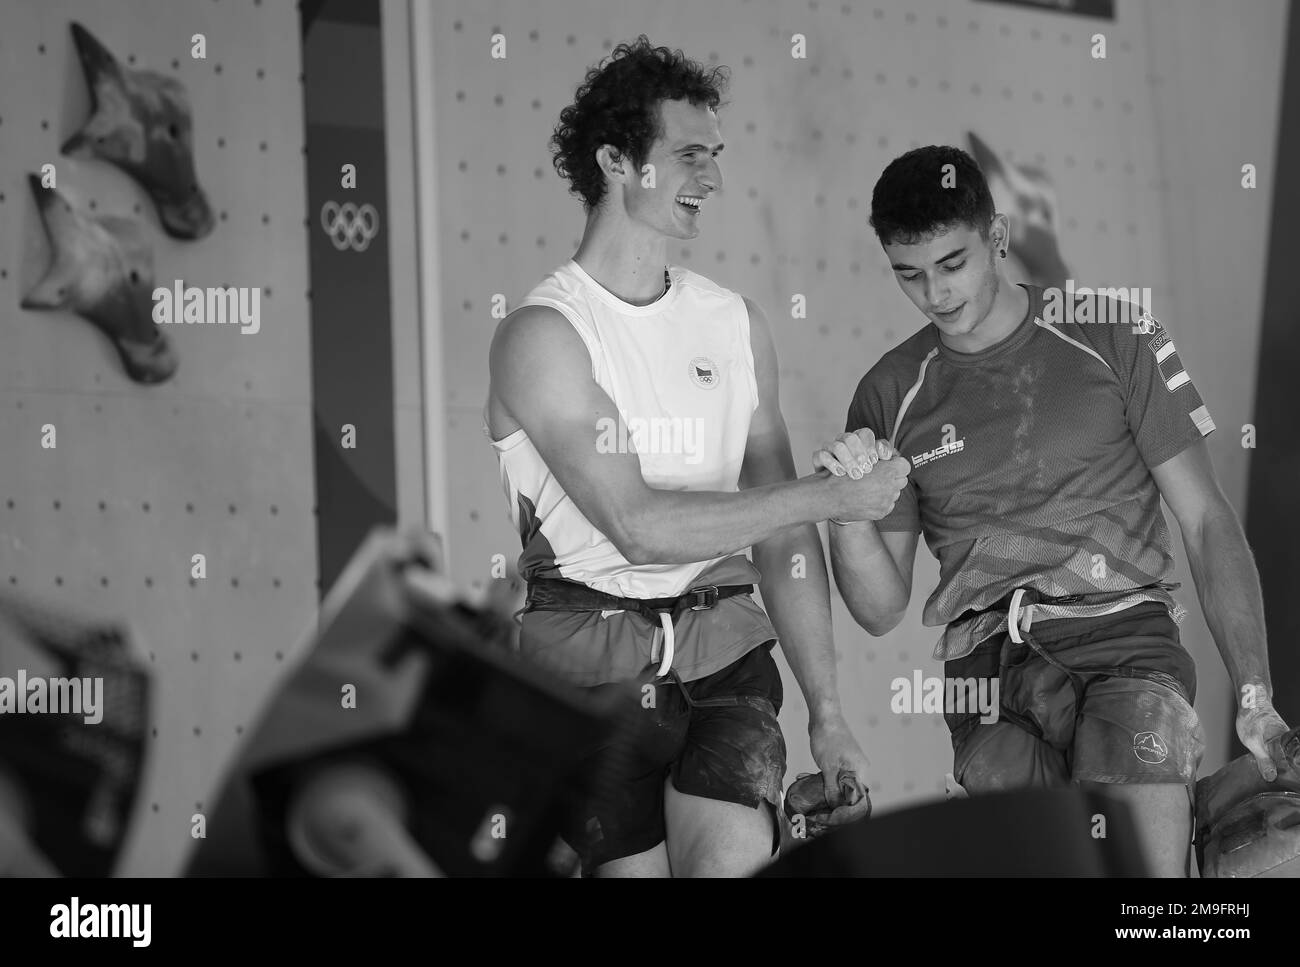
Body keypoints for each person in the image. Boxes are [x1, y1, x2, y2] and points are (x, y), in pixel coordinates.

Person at [484, 37, 902, 876]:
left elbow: (781, 539)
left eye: (716, 156)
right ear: (614, 161)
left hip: (726, 655)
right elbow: (639, 526)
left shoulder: (737, 325)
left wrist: (827, 709)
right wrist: (830, 497)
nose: (711, 179)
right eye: (688, 156)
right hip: (588, 670)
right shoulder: (543, 335)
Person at [816, 144, 1291, 876]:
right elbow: (880, 608)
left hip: (1125, 640)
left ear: (998, 238)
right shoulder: (889, 392)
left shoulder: (1114, 334)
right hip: (987, 675)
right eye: (909, 274)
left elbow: (1205, 522)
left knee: (1139, 901)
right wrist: (845, 513)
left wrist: (1254, 693)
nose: (936, 294)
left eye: (953, 263)